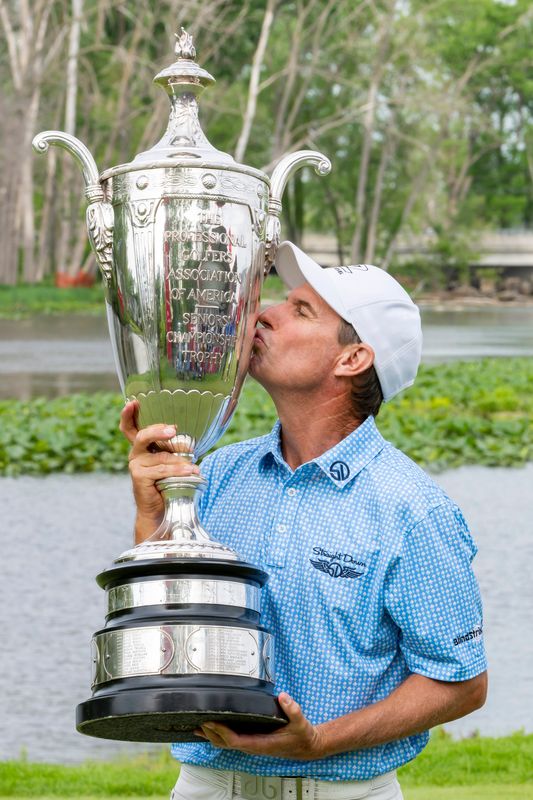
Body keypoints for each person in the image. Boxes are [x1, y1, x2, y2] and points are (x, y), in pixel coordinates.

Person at [121, 242, 488, 800]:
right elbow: (162, 616)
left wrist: (320, 740)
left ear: (352, 359)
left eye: (301, 310)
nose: (265, 312)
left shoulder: (413, 509)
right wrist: (153, 512)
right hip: (204, 785)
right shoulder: (218, 471)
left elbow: (461, 683)